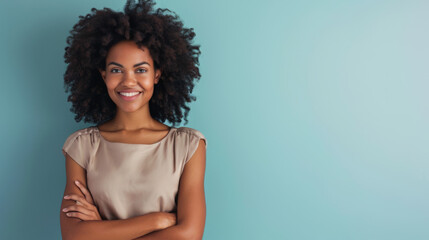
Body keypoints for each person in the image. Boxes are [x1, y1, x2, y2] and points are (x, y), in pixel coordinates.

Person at [59, 1, 207, 239]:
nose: (128, 81)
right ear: (103, 75)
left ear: (157, 74)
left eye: (140, 70)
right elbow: (74, 236)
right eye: (117, 70)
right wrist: (158, 220)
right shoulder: (81, 146)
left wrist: (102, 232)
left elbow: (188, 235)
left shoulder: (188, 146)